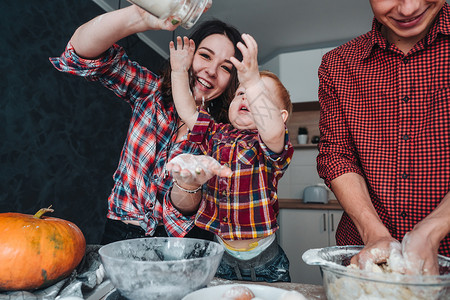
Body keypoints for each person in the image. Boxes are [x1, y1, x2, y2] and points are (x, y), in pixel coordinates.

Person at [49, 4, 243, 244]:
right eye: (205, 55)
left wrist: (187, 185)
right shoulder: (152, 92)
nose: (211, 71)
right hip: (121, 234)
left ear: (231, 81)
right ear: (187, 53)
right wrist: (140, 17)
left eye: (226, 68)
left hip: (185, 243)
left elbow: (188, 210)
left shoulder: (225, 136)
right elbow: (80, 54)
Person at [317, 0, 450, 275]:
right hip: (365, 260)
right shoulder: (337, 64)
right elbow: (336, 155)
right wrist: (374, 234)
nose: (409, 8)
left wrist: (431, 230)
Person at [166, 33, 294, 282]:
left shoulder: (269, 143)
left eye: (258, 95)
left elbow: (272, 129)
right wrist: (179, 71)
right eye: (240, 93)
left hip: (266, 260)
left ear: (281, 117)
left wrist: (253, 79)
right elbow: (188, 111)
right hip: (221, 253)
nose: (246, 96)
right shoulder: (216, 133)